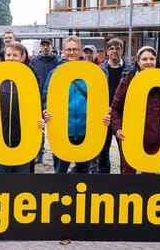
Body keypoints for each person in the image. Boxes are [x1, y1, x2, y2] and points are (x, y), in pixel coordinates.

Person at [43, 35, 111, 174]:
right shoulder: (55, 74)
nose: (72, 52)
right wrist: (45, 111)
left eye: (75, 49)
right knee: (60, 173)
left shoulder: (92, 74)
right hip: (62, 131)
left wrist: (104, 115)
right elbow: (45, 97)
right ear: (63, 51)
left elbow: (101, 99)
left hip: (85, 130)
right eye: (68, 49)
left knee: (83, 174)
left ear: (80, 52)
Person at [0, 42, 43, 174]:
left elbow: (37, 104)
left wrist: (40, 118)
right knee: (3, 182)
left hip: (24, 138)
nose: (11, 58)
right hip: (1, 137)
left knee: (22, 183)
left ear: (23, 57)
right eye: (8, 55)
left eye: (15, 55)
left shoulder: (31, 77)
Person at [110, 46, 160, 175]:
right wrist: (117, 129)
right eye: (144, 59)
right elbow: (115, 108)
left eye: (152, 59)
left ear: (156, 61)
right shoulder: (127, 82)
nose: (148, 62)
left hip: (155, 138)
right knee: (129, 176)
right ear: (138, 61)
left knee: (149, 177)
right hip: (130, 138)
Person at [94, 38, 131, 173]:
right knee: (103, 149)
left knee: (124, 149)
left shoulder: (130, 70)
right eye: (112, 48)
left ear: (122, 50)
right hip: (104, 114)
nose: (114, 51)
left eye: (117, 48)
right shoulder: (100, 70)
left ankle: (123, 177)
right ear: (107, 51)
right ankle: (105, 177)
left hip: (122, 115)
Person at [31, 38, 60, 163]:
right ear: (41, 47)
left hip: (53, 97)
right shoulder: (34, 61)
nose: (45, 47)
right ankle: (39, 153)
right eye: (43, 45)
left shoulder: (57, 62)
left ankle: (57, 152)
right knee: (39, 126)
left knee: (56, 126)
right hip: (37, 97)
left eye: (47, 45)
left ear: (51, 46)